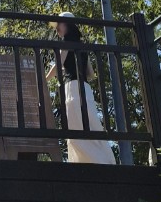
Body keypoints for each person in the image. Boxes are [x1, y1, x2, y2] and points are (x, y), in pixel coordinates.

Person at [46, 12, 116, 165]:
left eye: (58, 25)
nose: (57, 29)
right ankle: (105, 160)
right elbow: (90, 73)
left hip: (72, 87)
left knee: (75, 128)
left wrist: (44, 79)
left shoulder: (66, 42)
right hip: (85, 88)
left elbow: (58, 64)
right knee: (92, 125)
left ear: (66, 24)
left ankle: (86, 163)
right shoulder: (82, 45)